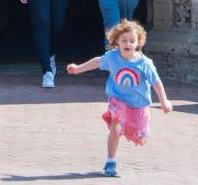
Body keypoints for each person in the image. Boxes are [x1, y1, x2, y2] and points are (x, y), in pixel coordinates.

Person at [66, 19, 173, 177]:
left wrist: (164, 100)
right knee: (116, 126)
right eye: (124, 40)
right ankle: (110, 161)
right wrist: (78, 69)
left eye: (132, 40)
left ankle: (131, 131)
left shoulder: (145, 63)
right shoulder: (112, 57)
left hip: (137, 105)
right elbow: (97, 61)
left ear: (138, 43)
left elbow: (156, 82)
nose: (127, 43)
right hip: (118, 99)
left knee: (139, 135)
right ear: (117, 41)